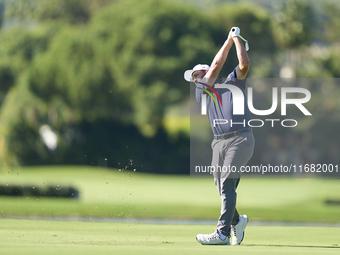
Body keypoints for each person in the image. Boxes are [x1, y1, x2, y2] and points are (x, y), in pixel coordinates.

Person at [184, 27, 255, 245]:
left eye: (197, 75)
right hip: (218, 143)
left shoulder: (233, 81)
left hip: (240, 139)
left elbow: (243, 65)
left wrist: (235, 40)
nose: (195, 80)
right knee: (221, 186)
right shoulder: (202, 91)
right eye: (193, 78)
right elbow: (215, 65)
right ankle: (237, 221)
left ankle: (222, 233)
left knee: (226, 182)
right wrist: (231, 37)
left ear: (205, 73)